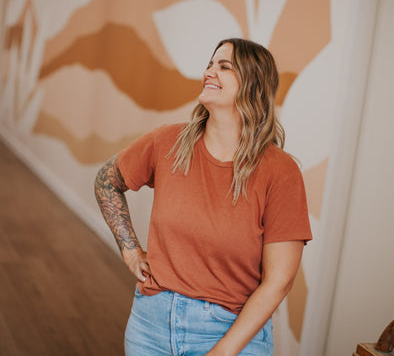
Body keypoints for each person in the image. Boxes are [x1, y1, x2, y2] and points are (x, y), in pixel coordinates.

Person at [94, 38, 312, 355]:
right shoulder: (166, 142)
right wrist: (130, 250)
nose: (210, 72)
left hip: (231, 333)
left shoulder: (280, 171)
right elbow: (106, 181)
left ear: (253, 85)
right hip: (150, 326)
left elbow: (278, 281)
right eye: (211, 64)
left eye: (224, 66)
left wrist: (221, 352)